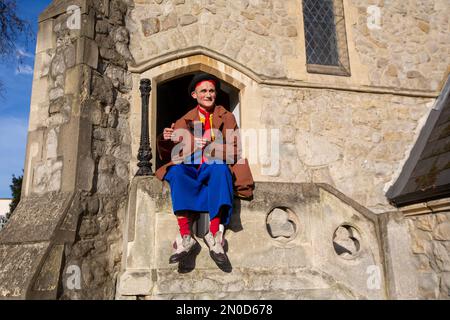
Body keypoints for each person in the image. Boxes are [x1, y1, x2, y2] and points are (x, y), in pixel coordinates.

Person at [155, 73, 254, 267]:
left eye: (211, 91)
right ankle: (186, 236)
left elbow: (236, 150)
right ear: (195, 95)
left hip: (214, 165)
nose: (208, 95)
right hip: (192, 167)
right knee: (176, 173)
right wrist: (167, 138)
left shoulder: (227, 116)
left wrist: (210, 145)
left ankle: (214, 235)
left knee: (219, 169)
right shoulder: (185, 120)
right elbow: (171, 154)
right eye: (203, 91)